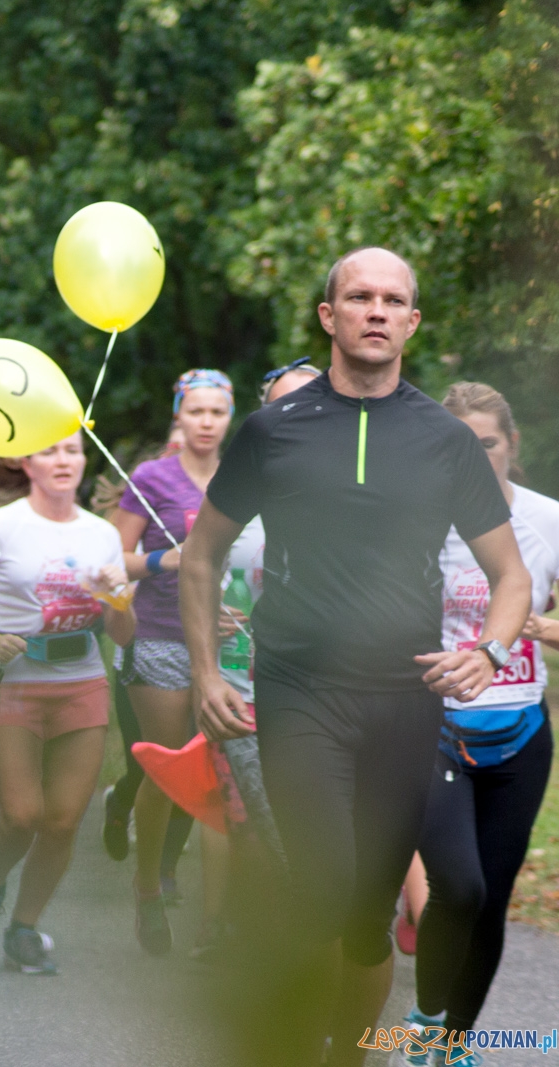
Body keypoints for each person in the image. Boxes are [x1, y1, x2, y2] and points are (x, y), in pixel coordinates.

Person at [179, 247, 528, 1067]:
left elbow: (510, 575)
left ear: (412, 322)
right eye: (360, 296)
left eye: (392, 300)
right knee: (323, 887)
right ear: (329, 316)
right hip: (300, 686)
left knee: (369, 915)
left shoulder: (445, 439)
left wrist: (489, 649)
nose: (376, 310)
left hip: (405, 697)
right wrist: (204, 672)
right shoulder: (272, 430)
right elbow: (201, 556)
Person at [383, 383, 559, 1063]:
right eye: (458, 444)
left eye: (486, 442)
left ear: (511, 444)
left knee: (492, 897)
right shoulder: (413, 518)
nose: (474, 455)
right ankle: (425, 1020)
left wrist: (542, 626)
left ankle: (455, 1042)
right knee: (460, 885)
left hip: (521, 733)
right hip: (433, 729)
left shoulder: (545, 519)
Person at [0, 431, 135, 975]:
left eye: (73, 450)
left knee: (62, 822)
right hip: (14, 682)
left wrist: (118, 599)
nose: (64, 460)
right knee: (21, 816)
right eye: (50, 450)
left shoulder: (103, 534)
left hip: (82, 680)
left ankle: (24, 927)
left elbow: (124, 634)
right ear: (26, 462)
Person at [107, 367, 234, 953]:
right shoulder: (153, 477)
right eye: (196, 411)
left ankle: (218, 920)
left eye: (217, 412)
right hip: (159, 637)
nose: (207, 422)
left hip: (228, 641)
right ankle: (148, 888)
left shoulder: (243, 477)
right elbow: (112, 560)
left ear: (229, 418)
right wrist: (165, 561)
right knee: (167, 771)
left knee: (224, 778)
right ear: (178, 415)